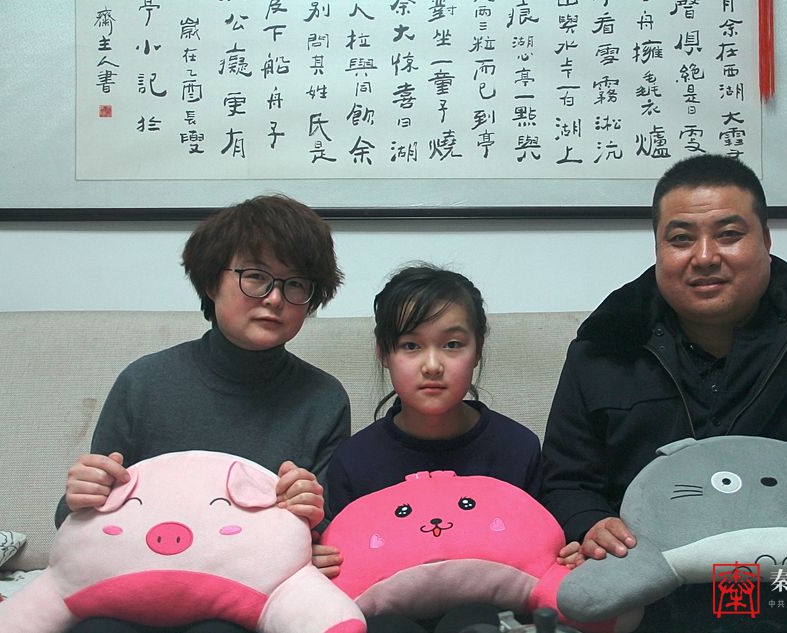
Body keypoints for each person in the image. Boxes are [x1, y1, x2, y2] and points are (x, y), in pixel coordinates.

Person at [539, 155, 787, 631]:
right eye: (680, 239)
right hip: (660, 602)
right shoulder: (603, 349)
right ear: (658, 247)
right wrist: (591, 522)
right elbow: (566, 481)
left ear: (766, 240)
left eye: (729, 234)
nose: (705, 256)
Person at [58, 194, 350, 633]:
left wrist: (309, 513)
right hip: (137, 584)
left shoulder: (324, 398)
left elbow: (322, 534)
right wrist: (80, 496)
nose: (275, 298)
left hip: (241, 596)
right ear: (212, 282)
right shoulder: (145, 382)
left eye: (295, 284)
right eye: (256, 277)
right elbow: (80, 519)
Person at [314, 264, 544, 633]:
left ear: (478, 350)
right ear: (384, 353)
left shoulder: (517, 448)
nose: (432, 366)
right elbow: (346, 573)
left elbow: (539, 556)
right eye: (411, 345)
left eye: (452, 345)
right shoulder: (354, 460)